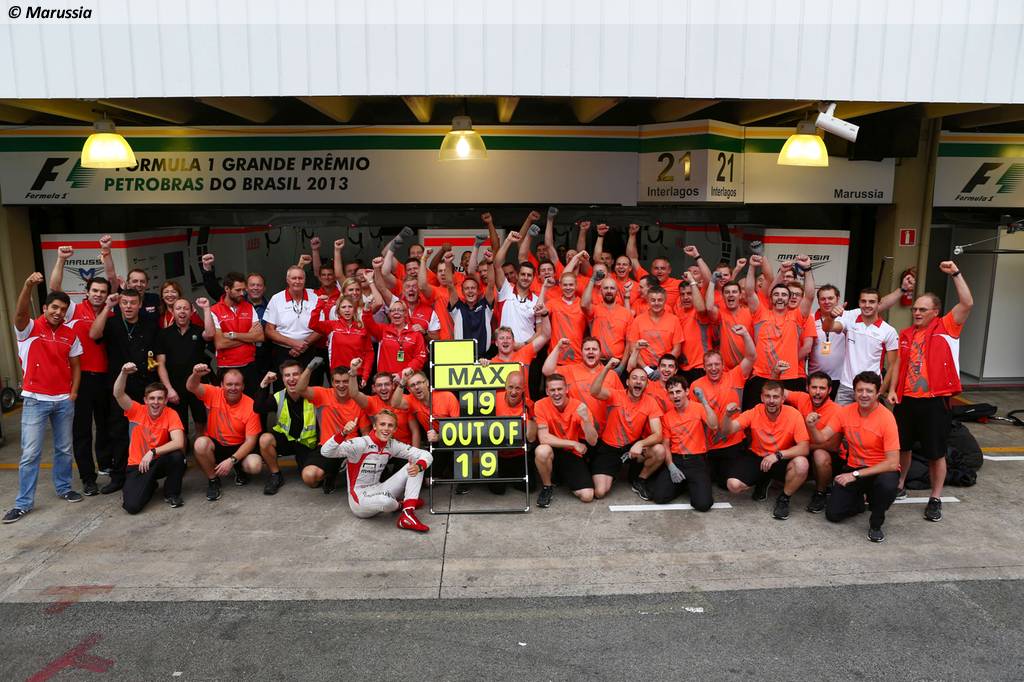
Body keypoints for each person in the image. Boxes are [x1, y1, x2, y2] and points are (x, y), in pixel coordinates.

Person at [889, 260, 973, 522]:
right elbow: (899, 364)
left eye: (922, 309)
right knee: (902, 447)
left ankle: (935, 498)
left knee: (936, 453)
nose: (916, 313)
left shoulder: (947, 327)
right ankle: (899, 485)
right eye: (915, 309)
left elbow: (967, 302)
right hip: (906, 400)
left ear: (935, 312)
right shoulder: (906, 334)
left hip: (935, 402)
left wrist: (956, 273)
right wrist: (892, 390)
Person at [3, 274, 83, 524]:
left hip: (63, 400)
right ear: (45, 308)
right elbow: (20, 313)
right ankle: (23, 503)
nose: (58, 312)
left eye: (63, 309)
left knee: (64, 449)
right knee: (30, 453)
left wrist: (73, 393)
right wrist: (27, 285)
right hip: (35, 400)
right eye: (54, 308)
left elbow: (76, 365)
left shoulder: (70, 334)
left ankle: (64, 487)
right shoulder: (29, 329)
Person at [807, 371, 901, 542]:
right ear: (854, 392)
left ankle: (876, 522)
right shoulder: (844, 412)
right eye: (860, 390)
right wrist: (812, 427)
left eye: (869, 391)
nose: (864, 395)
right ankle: (858, 502)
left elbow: (893, 463)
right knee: (833, 514)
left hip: (880, 470)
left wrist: (855, 475)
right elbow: (822, 438)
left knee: (886, 485)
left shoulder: (887, 418)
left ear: (877, 394)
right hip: (854, 467)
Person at [49, 246, 113, 495]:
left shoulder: (111, 311)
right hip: (81, 378)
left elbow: (114, 278)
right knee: (82, 431)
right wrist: (61, 260)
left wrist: (107, 255)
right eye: (95, 291)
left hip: (105, 377)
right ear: (87, 292)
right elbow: (55, 289)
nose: (98, 295)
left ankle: (105, 464)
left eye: (103, 292)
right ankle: (88, 477)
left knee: (105, 426)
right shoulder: (74, 309)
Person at [89, 288, 160, 494]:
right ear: (120, 304)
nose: (128, 306)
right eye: (125, 303)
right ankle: (118, 476)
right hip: (119, 387)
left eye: (132, 303)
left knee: (145, 432)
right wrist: (108, 307)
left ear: (140, 304)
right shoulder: (111, 323)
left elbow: (156, 356)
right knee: (118, 432)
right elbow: (94, 334)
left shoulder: (150, 324)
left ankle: (145, 475)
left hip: (144, 386)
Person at [320, 409, 433, 532]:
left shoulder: (392, 445)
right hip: (359, 500)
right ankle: (401, 505)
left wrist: (419, 466)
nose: (386, 429)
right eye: (382, 424)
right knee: (386, 501)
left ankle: (408, 514)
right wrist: (343, 433)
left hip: (378, 488)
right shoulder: (360, 444)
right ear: (374, 426)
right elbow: (325, 452)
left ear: (395, 429)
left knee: (416, 463)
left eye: (390, 425)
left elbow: (426, 454)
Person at [719, 381, 810, 520]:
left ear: (783, 399)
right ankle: (763, 480)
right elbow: (727, 430)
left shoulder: (794, 414)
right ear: (762, 397)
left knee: (802, 464)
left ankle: (784, 498)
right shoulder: (755, 411)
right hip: (757, 456)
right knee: (733, 485)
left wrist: (777, 455)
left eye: (776, 397)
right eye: (768, 396)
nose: (771, 400)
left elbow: (804, 448)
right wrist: (727, 415)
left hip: (782, 458)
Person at [113, 363, 187, 513]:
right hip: (138, 464)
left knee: (177, 456)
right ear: (145, 400)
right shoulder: (136, 411)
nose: (156, 402)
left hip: (158, 461)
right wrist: (123, 373)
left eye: (160, 398)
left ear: (166, 401)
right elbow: (118, 394)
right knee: (132, 507)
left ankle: (171, 494)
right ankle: (150, 484)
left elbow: (179, 442)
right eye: (152, 398)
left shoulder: (171, 414)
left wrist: (152, 452)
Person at [742, 254, 815, 408]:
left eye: (784, 295)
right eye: (776, 294)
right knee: (755, 417)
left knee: (790, 418)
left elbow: (809, 296)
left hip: (789, 377)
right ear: (771, 298)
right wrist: (752, 266)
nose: (780, 298)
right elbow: (749, 292)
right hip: (762, 375)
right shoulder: (760, 314)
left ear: (789, 299)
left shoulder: (797, 317)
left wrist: (808, 269)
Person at [588, 359, 666, 500]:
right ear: (627, 382)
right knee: (600, 492)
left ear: (646, 384)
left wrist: (640, 443)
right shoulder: (615, 395)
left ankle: (640, 480)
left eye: (642, 379)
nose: (638, 382)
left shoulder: (650, 402)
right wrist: (606, 368)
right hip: (609, 449)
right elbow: (594, 391)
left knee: (659, 451)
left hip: (632, 448)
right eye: (634, 378)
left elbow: (658, 434)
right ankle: (612, 472)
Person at [689, 329, 756, 487]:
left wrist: (745, 335)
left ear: (723, 365)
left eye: (717, 364)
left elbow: (751, 357)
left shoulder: (735, 376)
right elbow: (695, 419)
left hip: (733, 444)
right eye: (709, 365)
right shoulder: (696, 386)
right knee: (706, 481)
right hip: (709, 447)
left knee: (727, 484)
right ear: (704, 367)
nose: (713, 368)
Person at [186, 364, 262, 501]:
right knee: (200, 444)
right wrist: (196, 375)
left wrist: (232, 460)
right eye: (229, 384)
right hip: (217, 444)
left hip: (239, 446)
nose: (233, 388)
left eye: (237, 384)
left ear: (243, 386)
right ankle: (213, 480)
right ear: (222, 385)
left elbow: (251, 441)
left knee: (255, 465)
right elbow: (191, 387)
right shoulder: (213, 393)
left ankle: (239, 469)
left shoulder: (251, 405)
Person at [647, 377, 718, 510]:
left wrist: (704, 402)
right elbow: (666, 445)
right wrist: (671, 466)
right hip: (677, 461)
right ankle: (685, 484)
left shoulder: (699, 408)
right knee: (659, 497)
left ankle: (691, 484)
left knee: (703, 505)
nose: (675, 396)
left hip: (697, 462)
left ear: (686, 392)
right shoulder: (667, 417)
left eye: (678, 391)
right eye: (671, 393)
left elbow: (714, 425)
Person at [822, 288, 900, 406]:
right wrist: (831, 316)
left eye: (871, 302)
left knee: (867, 419)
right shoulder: (849, 321)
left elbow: (892, 365)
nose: (867, 305)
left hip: (870, 388)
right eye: (863, 301)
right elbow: (827, 328)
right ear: (859, 303)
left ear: (879, 304)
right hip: (846, 386)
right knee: (840, 418)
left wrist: (882, 390)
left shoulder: (889, 331)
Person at [296, 360, 363, 493]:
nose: (341, 385)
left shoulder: (359, 400)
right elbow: (300, 389)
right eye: (337, 381)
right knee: (309, 477)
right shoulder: (323, 394)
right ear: (332, 383)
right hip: (327, 446)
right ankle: (330, 474)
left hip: (351, 448)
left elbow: (366, 433)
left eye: (345, 381)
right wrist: (309, 368)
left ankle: (342, 468)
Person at [255, 360, 320, 495]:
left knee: (312, 481)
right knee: (265, 439)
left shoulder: (314, 394)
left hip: (307, 444)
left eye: (295, 374)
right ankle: (276, 475)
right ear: (283, 378)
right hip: (286, 440)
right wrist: (265, 384)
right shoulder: (279, 396)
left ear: (303, 376)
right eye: (287, 375)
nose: (291, 379)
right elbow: (258, 408)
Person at [533, 374, 600, 508]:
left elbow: (593, 441)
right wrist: (573, 443)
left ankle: (563, 476)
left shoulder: (579, 406)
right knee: (542, 450)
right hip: (554, 450)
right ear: (547, 391)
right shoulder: (540, 405)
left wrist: (586, 420)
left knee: (587, 496)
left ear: (566, 389)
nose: (556, 393)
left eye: (559, 389)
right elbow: (543, 438)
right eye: (552, 390)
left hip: (571, 455)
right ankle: (547, 487)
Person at [780, 369, 841, 513]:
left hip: (828, 457)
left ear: (829, 390)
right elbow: (778, 392)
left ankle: (821, 493)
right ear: (807, 387)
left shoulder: (837, 410)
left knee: (820, 454)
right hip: (806, 450)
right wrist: (776, 374)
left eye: (822, 388)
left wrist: (803, 447)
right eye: (814, 387)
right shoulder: (802, 398)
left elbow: (833, 446)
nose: (817, 392)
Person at [156, 297, 214, 442]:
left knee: (201, 423)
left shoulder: (199, 331)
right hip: (175, 387)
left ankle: (200, 449)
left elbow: (210, 334)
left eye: (186, 308)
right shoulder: (163, 334)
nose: (182, 311)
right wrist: (169, 389)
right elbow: (160, 364)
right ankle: (182, 451)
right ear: (172, 311)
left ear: (191, 311)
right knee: (178, 427)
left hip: (198, 386)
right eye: (178, 308)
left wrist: (206, 309)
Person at [543, 337, 623, 433]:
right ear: (581, 352)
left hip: (604, 433)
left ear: (600, 353)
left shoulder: (611, 374)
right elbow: (547, 371)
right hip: (575, 432)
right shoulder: (570, 370)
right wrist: (558, 348)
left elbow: (621, 403)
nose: (590, 351)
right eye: (587, 349)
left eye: (594, 349)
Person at [264, 265, 323, 387]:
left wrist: (303, 344)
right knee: (283, 388)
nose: (297, 281)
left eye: (300, 278)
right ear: (287, 280)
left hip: (308, 350)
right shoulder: (277, 299)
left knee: (310, 387)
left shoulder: (315, 297)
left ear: (305, 280)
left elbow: (321, 327)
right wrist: (293, 343)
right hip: (283, 352)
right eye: (294, 278)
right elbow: (269, 330)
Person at [345, 361, 422, 448]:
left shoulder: (404, 400)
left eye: (387, 384)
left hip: (404, 448)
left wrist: (415, 453)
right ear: (374, 388)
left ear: (393, 385)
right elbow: (354, 394)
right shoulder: (371, 402)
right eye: (379, 385)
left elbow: (415, 431)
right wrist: (353, 372)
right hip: (380, 449)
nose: (383, 388)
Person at [211, 272, 264, 397]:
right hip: (227, 367)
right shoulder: (215, 310)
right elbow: (220, 343)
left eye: (243, 290)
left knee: (252, 404)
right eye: (238, 290)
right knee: (228, 404)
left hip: (249, 365)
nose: (242, 293)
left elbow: (260, 337)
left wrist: (233, 335)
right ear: (227, 289)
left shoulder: (249, 307)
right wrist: (248, 337)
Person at [309, 294, 374, 388]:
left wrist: (365, 376)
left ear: (355, 309)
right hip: (338, 376)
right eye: (343, 307)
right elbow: (312, 324)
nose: (347, 310)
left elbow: (369, 353)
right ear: (338, 310)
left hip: (357, 374)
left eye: (350, 307)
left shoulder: (362, 327)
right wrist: (320, 305)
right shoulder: (331, 325)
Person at [361, 296, 428, 377]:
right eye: (393, 310)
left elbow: (420, 357)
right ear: (389, 314)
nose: (396, 312)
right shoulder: (383, 330)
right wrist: (367, 310)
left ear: (406, 313)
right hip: (386, 380)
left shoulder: (416, 333)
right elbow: (369, 325)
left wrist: (402, 374)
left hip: (406, 379)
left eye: (399, 310)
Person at [492, 231, 540, 343]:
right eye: (523, 274)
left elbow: (540, 331)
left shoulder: (537, 300)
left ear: (533, 278)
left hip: (527, 350)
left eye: (529, 275)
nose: (525, 277)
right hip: (505, 347)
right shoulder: (506, 290)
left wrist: (524, 345)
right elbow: (497, 264)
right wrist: (508, 240)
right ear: (517, 275)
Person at [581, 265, 632, 364]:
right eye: (606, 288)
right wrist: (592, 280)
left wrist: (622, 365)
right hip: (597, 361)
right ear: (601, 291)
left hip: (618, 362)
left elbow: (629, 343)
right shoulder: (595, 309)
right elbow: (584, 304)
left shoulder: (626, 313)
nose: (609, 291)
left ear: (617, 291)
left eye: (612, 288)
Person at [626, 287, 683, 373]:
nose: (656, 303)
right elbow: (633, 348)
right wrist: (646, 369)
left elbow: (677, 350)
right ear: (648, 301)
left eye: (660, 300)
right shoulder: (638, 320)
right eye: (653, 300)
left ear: (665, 300)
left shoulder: (674, 320)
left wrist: (662, 367)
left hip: (666, 371)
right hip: (643, 369)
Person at [808, 284, 847, 399]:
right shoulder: (810, 319)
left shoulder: (846, 318)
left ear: (837, 299)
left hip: (840, 379)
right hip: (816, 379)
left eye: (830, 298)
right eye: (823, 299)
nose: (827, 302)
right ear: (818, 301)